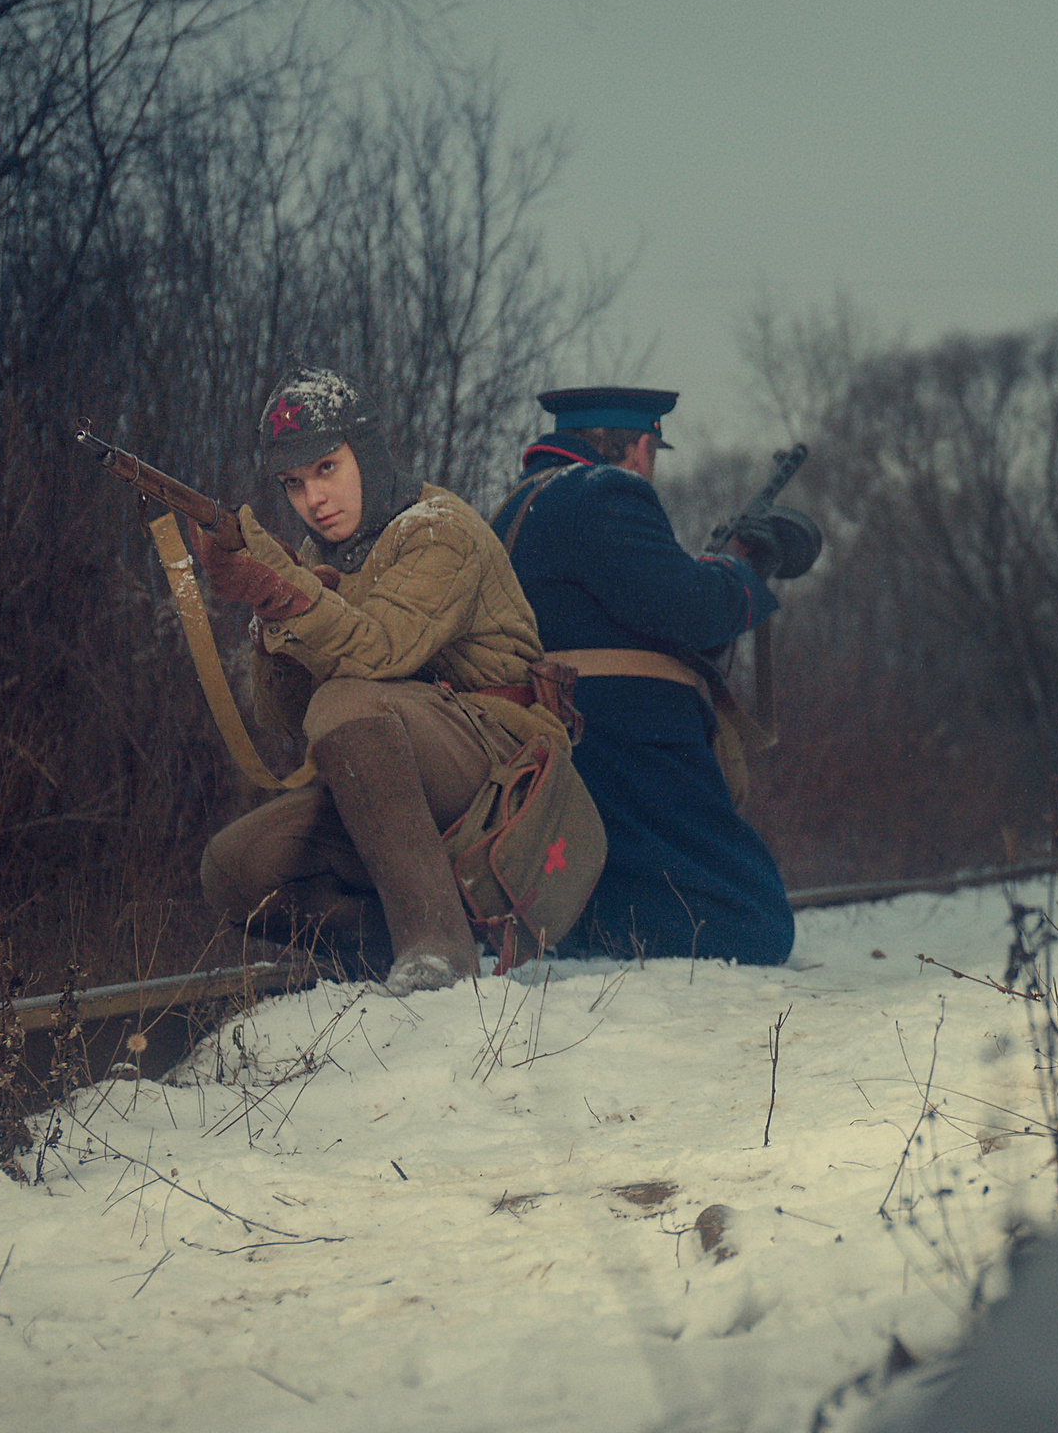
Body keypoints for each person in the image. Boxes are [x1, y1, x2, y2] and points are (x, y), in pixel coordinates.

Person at [196, 367, 590, 994]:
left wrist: (287, 590)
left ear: (368, 454)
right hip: (397, 780)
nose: (312, 499)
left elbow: (378, 652)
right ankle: (381, 944)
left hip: (501, 771)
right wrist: (273, 614)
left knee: (348, 702)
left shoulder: (438, 529)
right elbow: (287, 720)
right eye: (293, 484)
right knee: (233, 869)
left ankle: (434, 948)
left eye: (327, 469)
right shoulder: (323, 557)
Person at [488, 387, 820, 966]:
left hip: (561, 739)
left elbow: (624, 613)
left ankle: (579, 929)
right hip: (631, 742)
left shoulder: (515, 507)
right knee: (756, 924)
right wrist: (740, 569)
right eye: (653, 452)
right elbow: (686, 610)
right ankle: (592, 937)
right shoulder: (606, 491)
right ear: (640, 448)